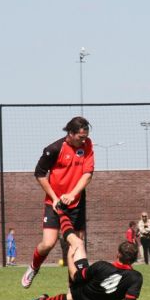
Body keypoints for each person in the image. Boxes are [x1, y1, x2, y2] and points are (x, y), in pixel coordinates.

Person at [22, 116, 94, 288]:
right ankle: (34, 267)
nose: (84, 140)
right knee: (48, 243)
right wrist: (55, 198)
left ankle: (73, 288)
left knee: (76, 245)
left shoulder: (87, 145)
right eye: (80, 137)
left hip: (77, 203)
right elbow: (39, 174)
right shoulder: (54, 149)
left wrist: (72, 194)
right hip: (53, 203)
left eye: (86, 137)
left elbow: (87, 174)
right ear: (70, 133)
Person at [31, 219, 143, 300]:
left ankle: (62, 213)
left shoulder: (102, 266)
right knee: (72, 296)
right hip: (92, 299)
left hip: (80, 295)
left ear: (118, 254)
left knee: (77, 243)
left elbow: (75, 277)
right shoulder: (136, 277)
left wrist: (69, 257)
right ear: (134, 259)